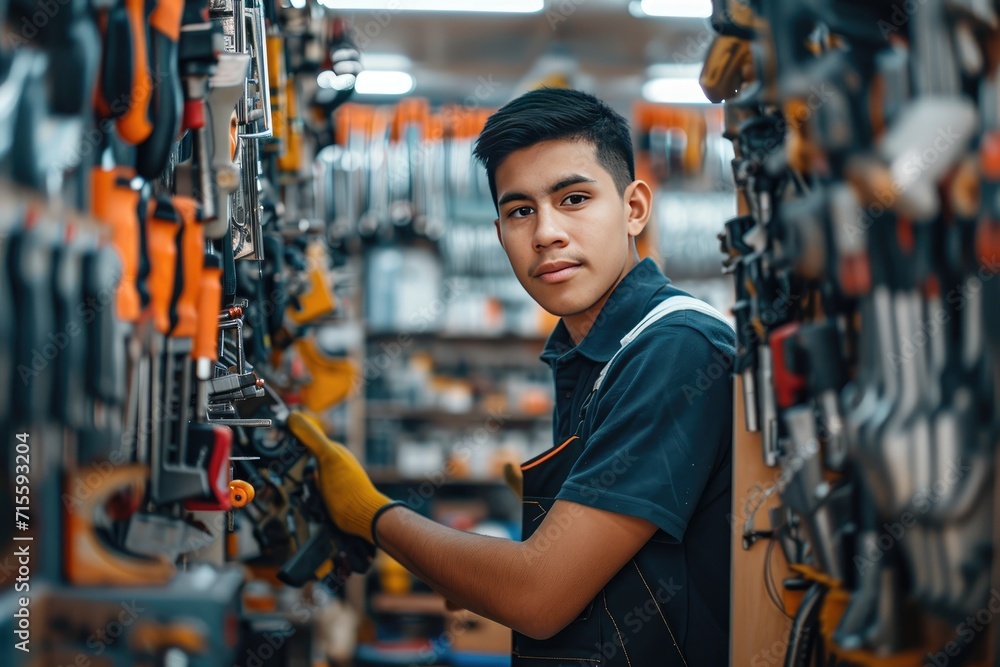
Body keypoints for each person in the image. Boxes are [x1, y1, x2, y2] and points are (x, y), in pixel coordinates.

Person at [290, 87, 735, 666]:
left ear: (634, 208)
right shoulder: (595, 354)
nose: (546, 232)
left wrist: (372, 515)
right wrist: (469, 566)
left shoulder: (675, 349)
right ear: (500, 232)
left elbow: (539, 596)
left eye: (573, 198)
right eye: (520, 210)